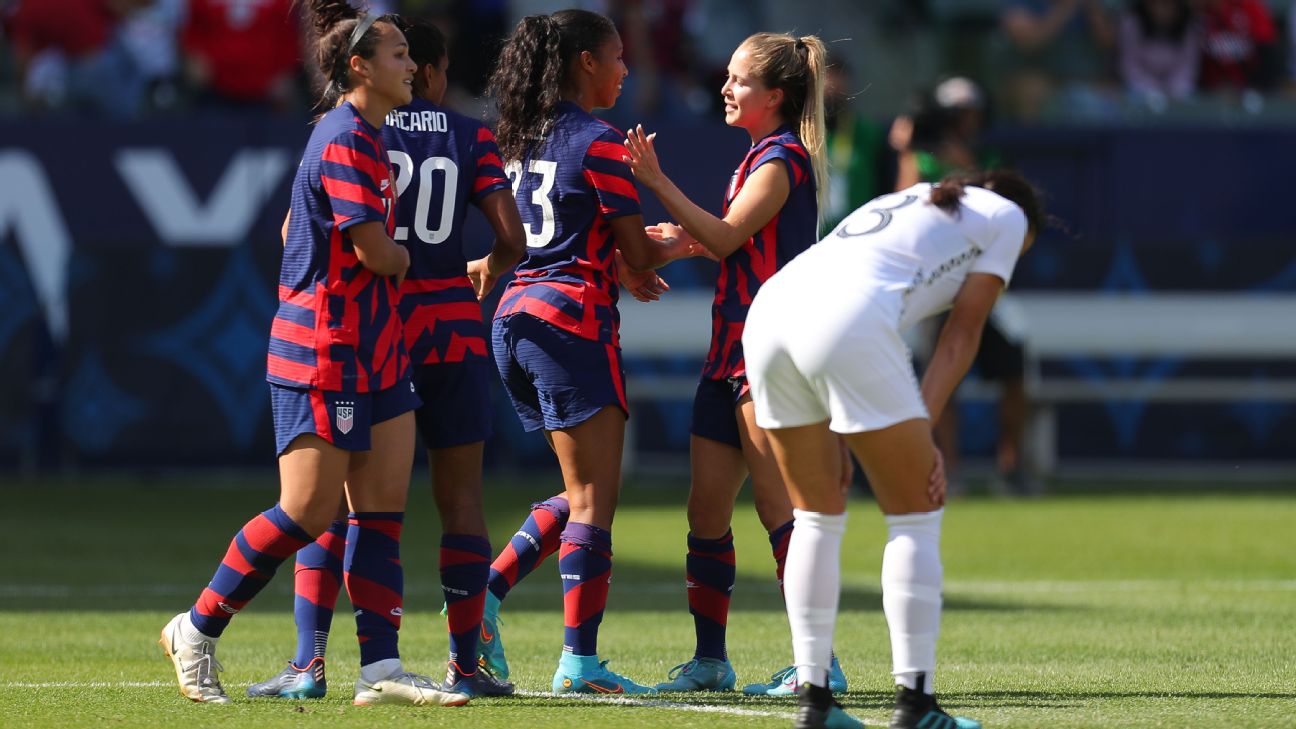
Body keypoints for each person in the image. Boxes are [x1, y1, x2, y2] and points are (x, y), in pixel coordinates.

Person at [158, 2, 465, 707]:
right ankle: (196, 627)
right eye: (396, 56)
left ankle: (381, 670)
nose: (412, 65)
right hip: (326, 347)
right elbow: (375, 250)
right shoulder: (345, 136)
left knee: (383, 509)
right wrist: (412, 255)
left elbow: (300, 223)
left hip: (377, 344)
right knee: (305, 510)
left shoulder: (363, 135)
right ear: (359, 67)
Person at [243, 16, 526, 701]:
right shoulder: (470, 134)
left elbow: (293, 231)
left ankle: (310, 661)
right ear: (433, 71)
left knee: (339, 505)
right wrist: (483, 269)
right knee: (460, 500)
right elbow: (511, 238)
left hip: (380, 330)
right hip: (453, 327)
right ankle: (465, 663)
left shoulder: (357, 129)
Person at [741, 170, 1046, 729]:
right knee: (916, 517)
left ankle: (816, 704)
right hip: (843, 318)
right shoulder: (1009, 218)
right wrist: (923, 431)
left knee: (814, 517)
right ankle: (916, 707)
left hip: (770, 311)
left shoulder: (914, 197)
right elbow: (962, 334)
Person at [471, 8, 696, 696]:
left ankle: (485, 596)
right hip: (571, 320)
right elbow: (635, 248)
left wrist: (626, 261)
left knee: (578, 492)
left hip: (515, 317)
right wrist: (688, 237)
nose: (627, 68)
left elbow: (572, 239)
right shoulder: (599, 142)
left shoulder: (518, 142)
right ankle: (579, 661)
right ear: (585, 64)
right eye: (617, 56)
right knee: (596, 497)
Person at [621, 32, 848, 696]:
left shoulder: (783, 159)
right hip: (729, 349)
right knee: (705, 511)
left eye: (739, 79)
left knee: (779, 506)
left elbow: (726, 236)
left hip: (770, 352)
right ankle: (711, 660)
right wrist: (676, 244)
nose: (725, 87)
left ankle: (819, 664)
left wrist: (658, 185)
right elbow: (730, 245)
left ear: (774, 96)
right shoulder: (755, 157)